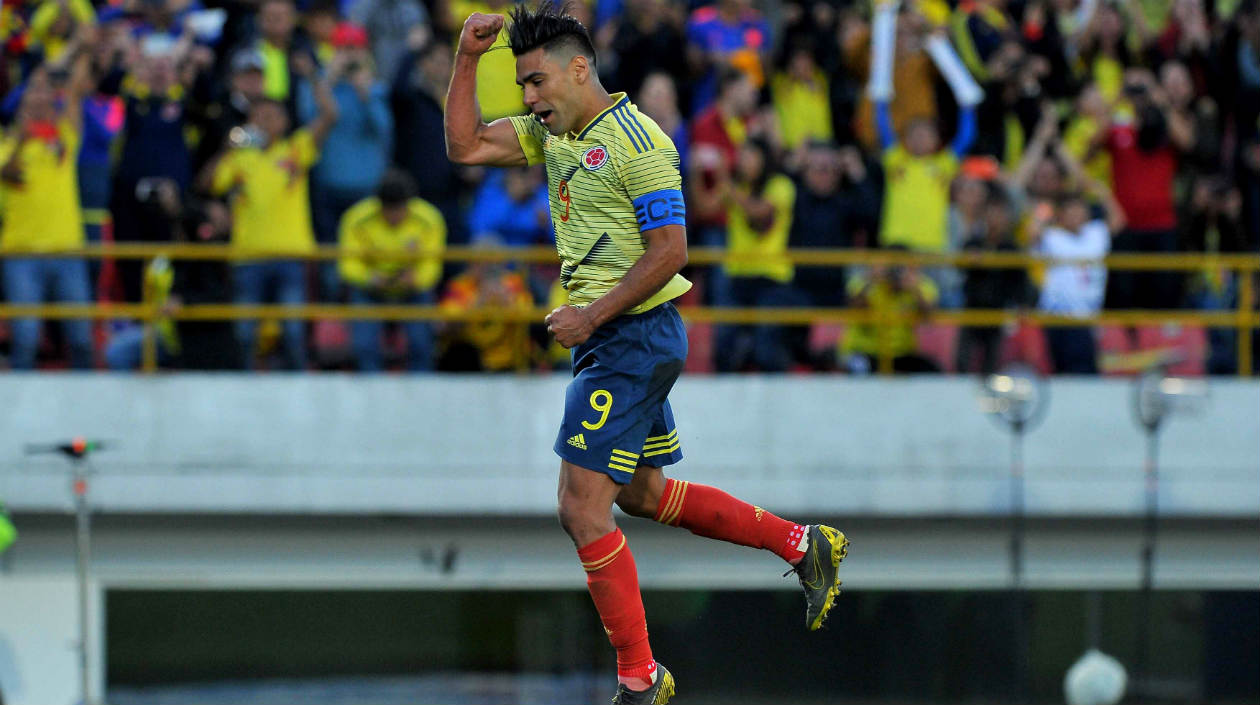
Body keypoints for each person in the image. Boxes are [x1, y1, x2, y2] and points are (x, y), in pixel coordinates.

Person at [444, 4, 847, 703]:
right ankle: (801, 543)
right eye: (523, 87)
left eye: (536, 82)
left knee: (580, 507)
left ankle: (640, 677)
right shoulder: (556, 136)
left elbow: (673, 253)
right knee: (639, 494)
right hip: (613, 337)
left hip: (629, 335)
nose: (530, 100)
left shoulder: (641, 142)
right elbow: (465, 146)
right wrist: (466, 58)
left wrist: (590, 315)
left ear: (578, 69)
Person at [204, 55, 338, 369]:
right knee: (244, 334)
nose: (264, 121)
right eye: (258, 116)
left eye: (271, 115)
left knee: (292, 333)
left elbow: (330, 115)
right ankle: (245, 393)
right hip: (247, 257)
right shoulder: (240, 158)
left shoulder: (296, 149)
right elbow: (208, 185)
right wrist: (227, 149)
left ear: (284, 122)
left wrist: (315, 78)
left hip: (290, 255)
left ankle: (297, 392)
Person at [0, 59, 94, 370]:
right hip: (21, 252)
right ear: (22, 104)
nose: (39, 100)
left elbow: (75, 96)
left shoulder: (64, 139)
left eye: (45, 95)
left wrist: (78, 53)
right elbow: (8, 174)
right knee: (25, 340)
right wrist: (22, 140)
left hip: (68, 249)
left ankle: (90, 407)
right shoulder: (5, 146)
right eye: (32, 95)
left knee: (81, 340)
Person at [1031, 147, 1127, 375]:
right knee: (1061, 373)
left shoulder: (1095, 233)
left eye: (1079, 210)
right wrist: (1046, 209)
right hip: (1058, 315)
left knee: (1084, 374)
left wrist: (1102, 194)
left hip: (1088, 318)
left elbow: (1119, 220)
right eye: (1070, 210)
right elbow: (1032, 231)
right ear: (1060, 214)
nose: (1075, 214)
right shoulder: (1052, 236)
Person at [338, 169, 445, 372]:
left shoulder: (430, 219)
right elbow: (347, 264)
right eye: (389, 209)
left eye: (399, 208)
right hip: (370, 289)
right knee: (363, 346)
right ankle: (371, 393)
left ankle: (422, 392)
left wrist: (417, 279)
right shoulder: (356, 218)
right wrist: (369, 278)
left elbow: (433, 264)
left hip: (412, 290)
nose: (394, 215)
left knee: (422, 343)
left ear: (409, 203)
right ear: (379, 204)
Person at [840, 253, 942, 374]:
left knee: (932, 371)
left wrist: (915, 289)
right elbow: (854, 306)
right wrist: (871, 281)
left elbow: (929, 315)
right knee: (858, 369)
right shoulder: (865, 282)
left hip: (901, 353)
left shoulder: (917, 284)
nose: (895, 275)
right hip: (864, 350)